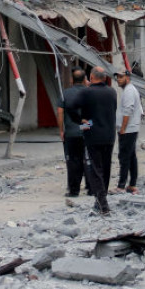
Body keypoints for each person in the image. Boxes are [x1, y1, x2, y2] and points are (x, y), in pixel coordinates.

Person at [66, 67, 118, 214]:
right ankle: (100, 201)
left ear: (91, 77)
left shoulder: (87, 92)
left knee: (96, 169)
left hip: (93, 134)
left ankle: (103, 204)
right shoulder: (112, 92)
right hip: (109, 135)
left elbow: (70, 107)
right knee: (106, 169)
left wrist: (82, 122)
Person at [56, 68, 89, 198]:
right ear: (85, 80)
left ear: (71, 80)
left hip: (71, 133)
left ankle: (74, 190)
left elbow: (60, 113)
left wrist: (61, 130)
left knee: (73, 161)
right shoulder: (90, 93)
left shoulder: (65, 94)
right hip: (87, 132)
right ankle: (90, 187)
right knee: (87, 159)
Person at [112, 67, 143, 194]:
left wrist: (123, 129)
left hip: (128, 130)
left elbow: (128, 111)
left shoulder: (129, 91)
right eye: (117, 77)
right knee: (131, 156)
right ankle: (132, 185)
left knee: (124, 157)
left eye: (121, 77)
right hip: (130, 128)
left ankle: (121, 186)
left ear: (128, 77)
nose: (118, 79)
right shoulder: (129, 90)